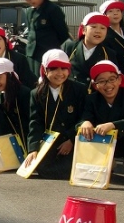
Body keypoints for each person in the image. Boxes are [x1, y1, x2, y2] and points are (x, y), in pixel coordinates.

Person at [24, 49, 87, 179]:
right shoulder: (37, 93)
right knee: (42, 168)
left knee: (67, 168)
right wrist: (33, 149)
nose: (59, 73)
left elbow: (84, 117)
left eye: (64, 68)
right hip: (50, 142)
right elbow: (35, 122)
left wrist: (71, 139)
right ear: (45, 70)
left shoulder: (79, 89)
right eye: (54, 69)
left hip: (72, 140)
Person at [79, 60, 124, 180]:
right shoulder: (91, 99)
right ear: (95, 85)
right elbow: (84, 116)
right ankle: (108, 161)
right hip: (103, 143)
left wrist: (113, 125)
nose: (108, 85)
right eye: (102, 81)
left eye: (112, 79)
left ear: (119, 80)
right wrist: (85, 122)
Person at [18, 0, 70, 77]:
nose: (27, 0)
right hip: (31, 54)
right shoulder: (29, 11)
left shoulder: (53, 10)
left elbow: (63, 34)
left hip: (48, 53)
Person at [62, 12, 118, 91]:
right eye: (94, 27)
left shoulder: (109, 54)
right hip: (70, 95)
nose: (98, 31)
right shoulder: (69, 47)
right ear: (84, 30)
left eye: (103, 28)